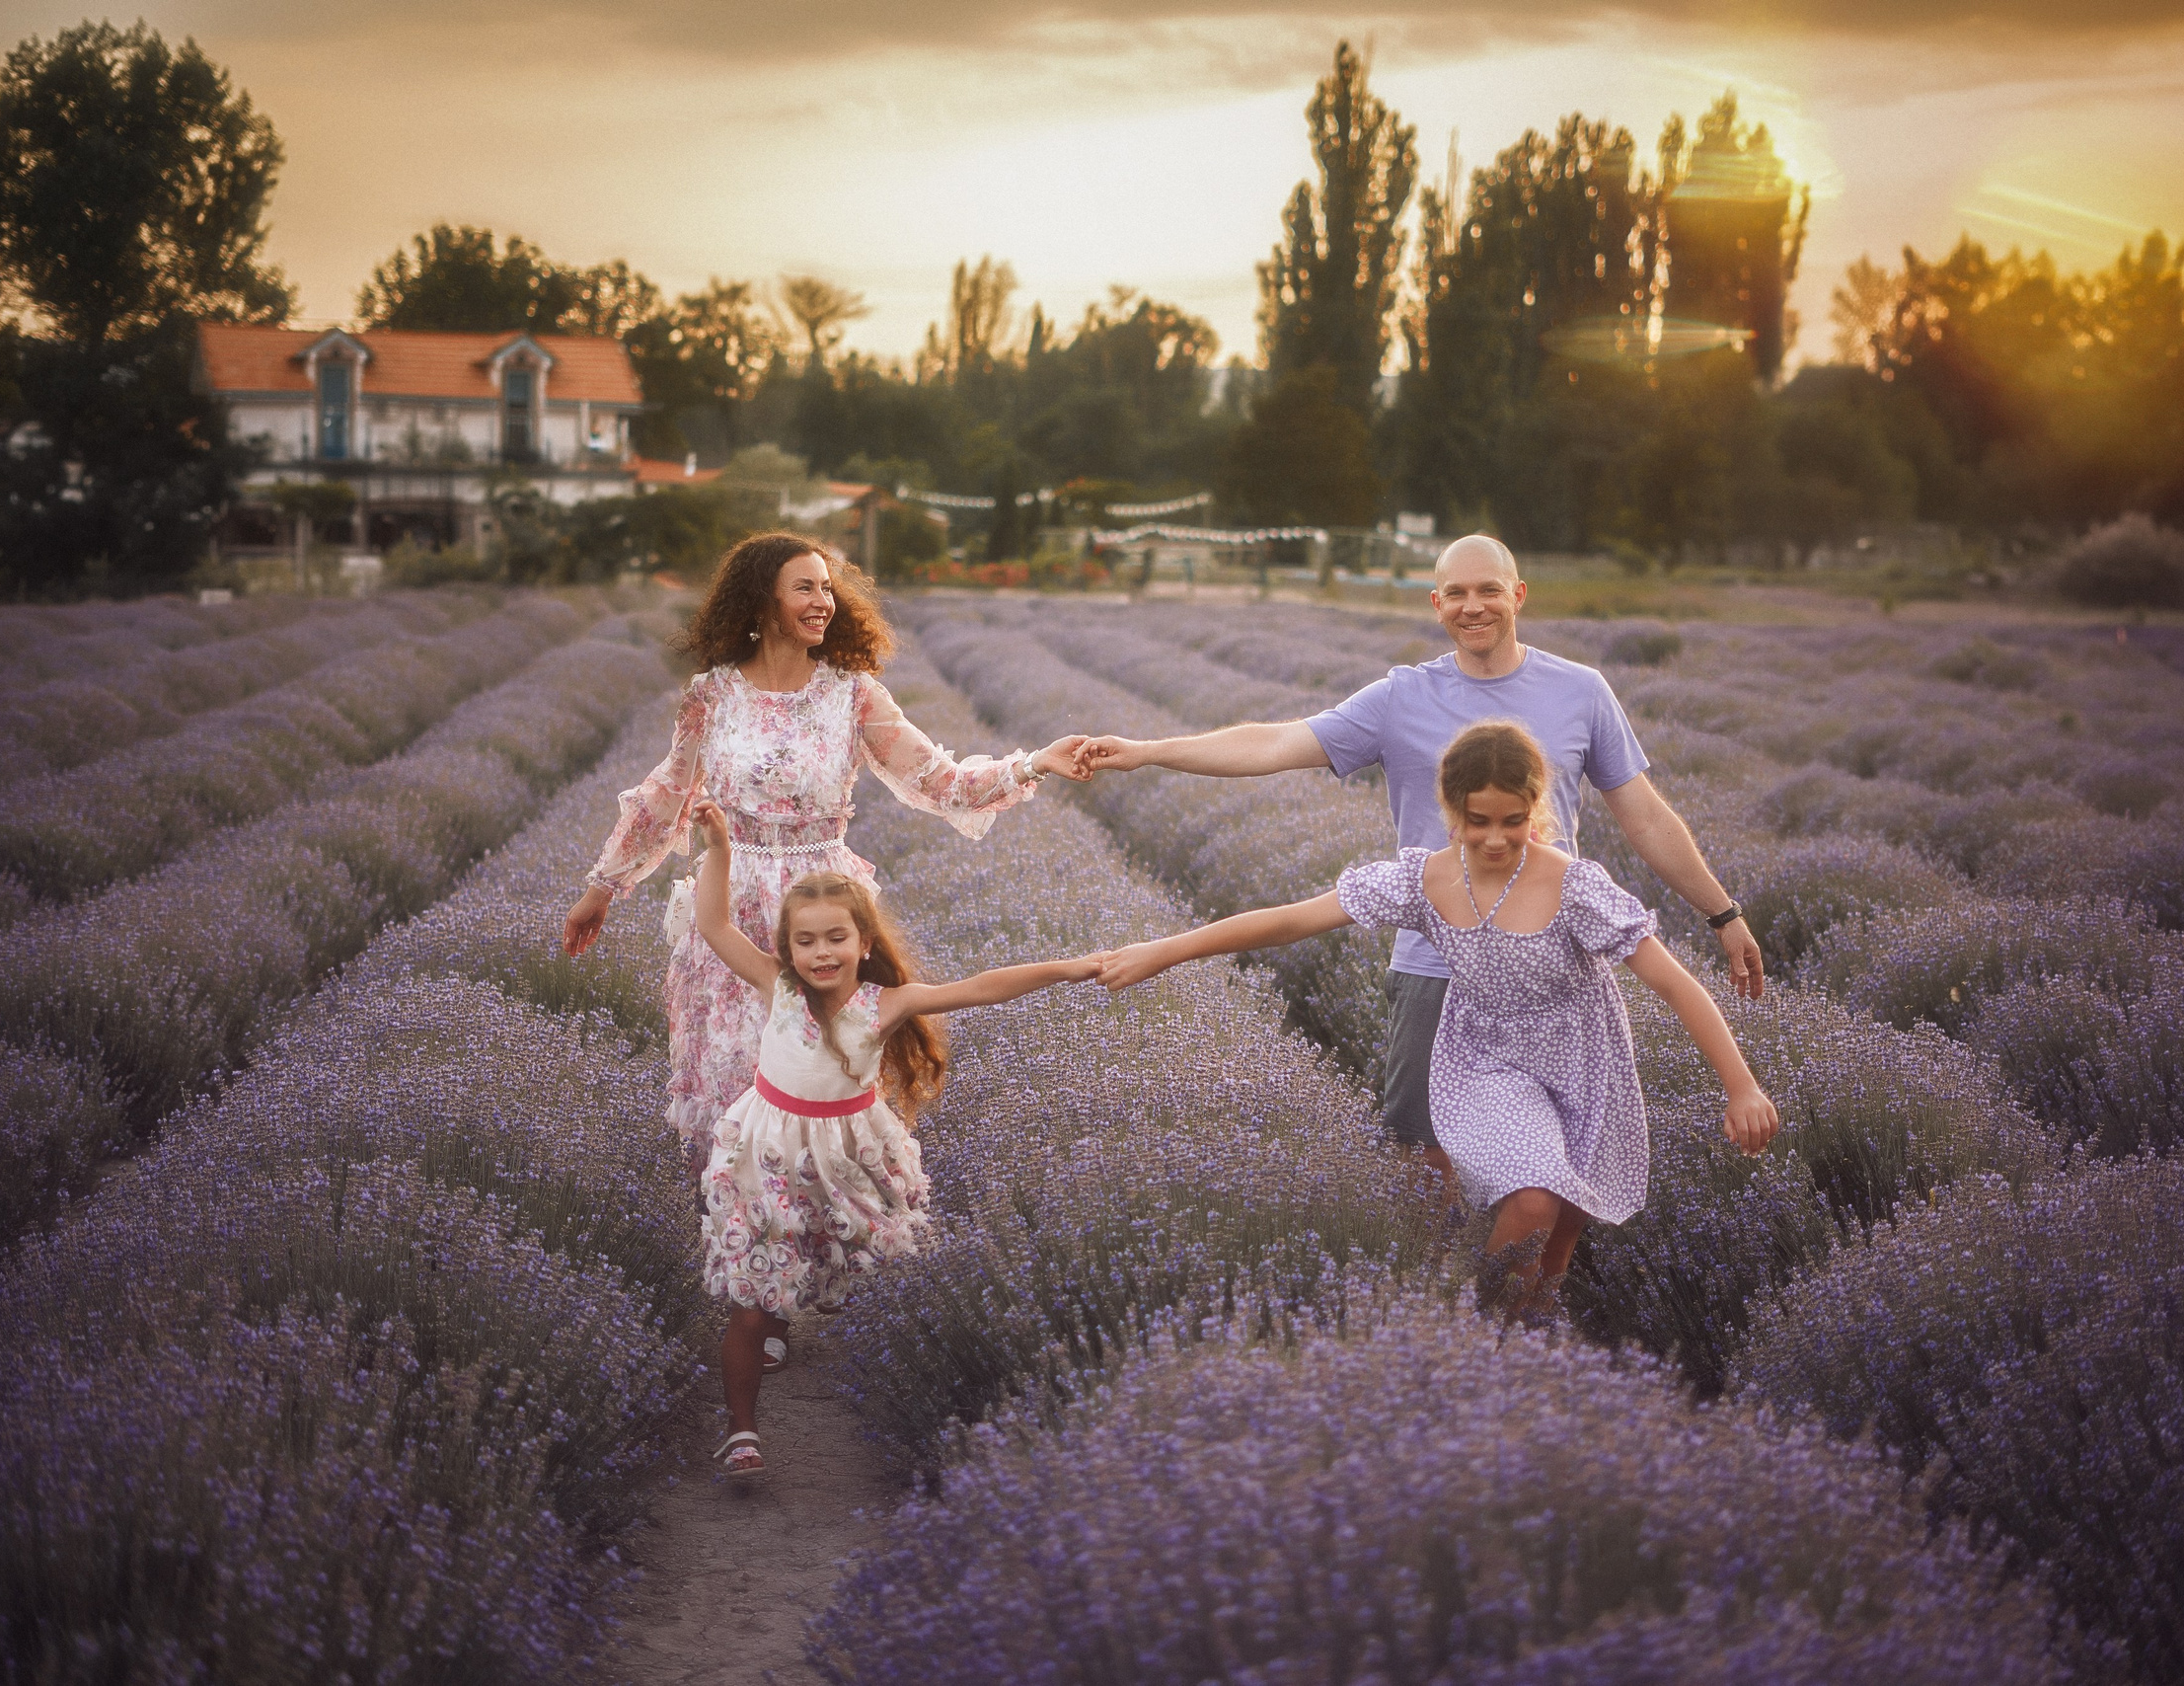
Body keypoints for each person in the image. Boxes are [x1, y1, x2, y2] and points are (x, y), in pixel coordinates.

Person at [1077, 533, 1760, 1191]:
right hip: (1435, 964)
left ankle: (1523, 1298)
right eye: (1455, 593)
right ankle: (1444, 1300)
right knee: (1424, 1159)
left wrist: (1721, 912)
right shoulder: (1402, 698)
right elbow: (1273, 743)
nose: (1473, 606)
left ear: (1518, 594)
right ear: (1435, 603)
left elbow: (1643, 814)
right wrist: (1147, 750)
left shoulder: (1581, 691)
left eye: (1488, 590)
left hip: (1550, 969)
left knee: (1557, 1167)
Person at [1096, 721, 1779, 1316]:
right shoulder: (1424, 878)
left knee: (1563, 1235)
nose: (1493, 838)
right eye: (1477, 820)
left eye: (1512, 820)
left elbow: (1675, 984)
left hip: (1584, 1061)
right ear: (1450, 810)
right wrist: (1165, 951)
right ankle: (1461, 1338)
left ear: (1534, 808)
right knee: (1536, 1202)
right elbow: (1289, 921)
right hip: (1487, 1059)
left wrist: (1741, 1085)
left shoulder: (1573, 886)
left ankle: (1522, 1356)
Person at [561, 530, 1087, 1188]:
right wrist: (602, 888)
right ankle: (745, 1256)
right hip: (732, 905)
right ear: (761, 601)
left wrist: (1035, 762)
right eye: (804, 587)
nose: (824, 601)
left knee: (821, 1088)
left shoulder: (853, 694)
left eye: (828, 587)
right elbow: (669, 791)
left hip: (823, 914)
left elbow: (942, 783)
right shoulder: (712, 695)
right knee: (735, 1088)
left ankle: (820, 1258)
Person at [688, 801, 1103, 1476]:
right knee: (751, 1298)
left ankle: (927, 1399)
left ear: (865, 944)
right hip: (770, 1154)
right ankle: (741, 1430)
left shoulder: (885, 1004)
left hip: (852, 1155)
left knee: (883, 1269)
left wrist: (1073, 967)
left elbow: (981, 988)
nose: (821, 953)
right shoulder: (779, 988)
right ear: (788, 949)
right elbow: (713, 924)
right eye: (806, 941)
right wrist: (719, 849)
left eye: (836, 938)